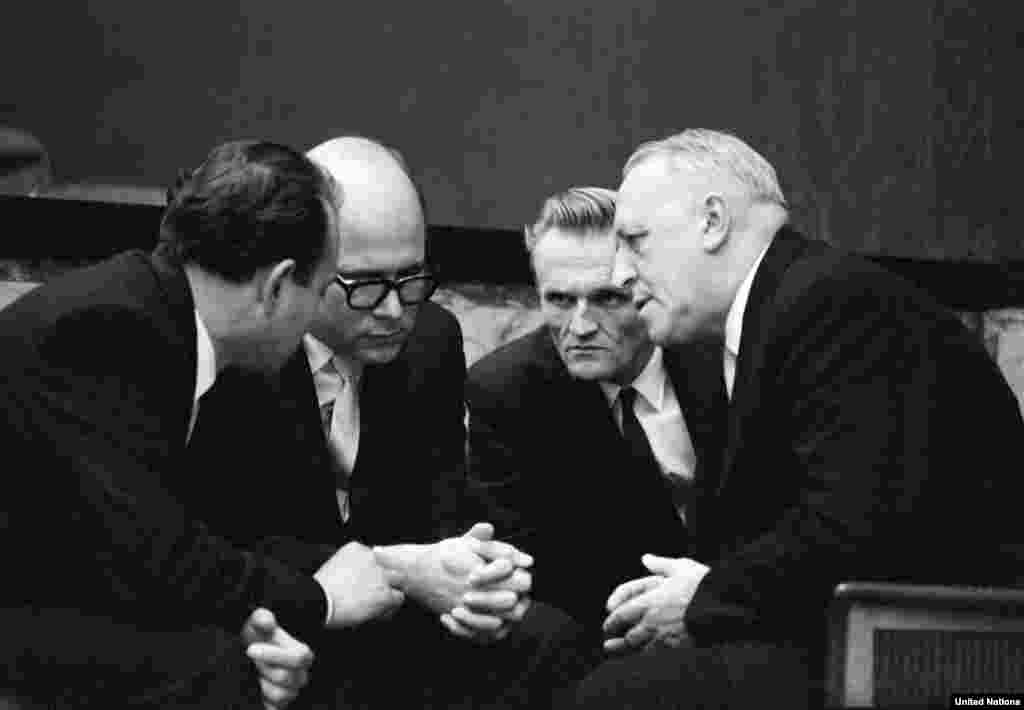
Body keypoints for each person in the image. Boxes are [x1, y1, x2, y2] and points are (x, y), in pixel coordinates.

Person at [567, 128, 1024, 708]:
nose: (621, 273)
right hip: (849, 631)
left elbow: (855, 529)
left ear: (713, 222)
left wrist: (705, 597)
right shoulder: (766, 316)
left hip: (941, 656)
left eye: (635, 241)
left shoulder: (834, 305)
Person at [0, 139, 415, 709]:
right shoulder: (101, 331)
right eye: (319, 293)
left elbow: (200, 539)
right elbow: (153, 554)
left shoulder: (165, 316)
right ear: (276, 287)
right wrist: (321, 600)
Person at [181, 136, 593, 709]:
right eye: (367, 286)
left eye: (412, 278)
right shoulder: (240, 352)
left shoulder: (433, 340)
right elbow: (226, 536)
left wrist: (471, 571)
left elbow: (438, 508)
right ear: (305, 267)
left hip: (396, 619)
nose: (396, 310)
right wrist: (404, 569)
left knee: (550, 641)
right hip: (282, 613)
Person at [465, 187, 725, 637]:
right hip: (604, 637)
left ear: (650, 287)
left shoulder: (722, 360)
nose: (581, 328)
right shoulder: (506, 393)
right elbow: (530, 570)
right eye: (560, 300)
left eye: (607, 298)